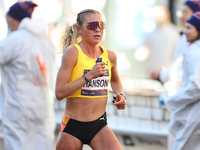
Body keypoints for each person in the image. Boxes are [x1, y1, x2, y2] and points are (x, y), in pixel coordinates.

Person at [55, 9, 126, 150]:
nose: (98, 30)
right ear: (79, 29)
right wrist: (88, 76)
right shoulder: (73, 53)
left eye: (101, 26)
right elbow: (59, 92)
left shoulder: (110, 56)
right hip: (73, 126)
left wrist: (120, 94)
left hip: (98, 125)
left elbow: (115, 80)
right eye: (93, 26)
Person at [0, 2, 57, 150]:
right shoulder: (47, 43)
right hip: (43, 108)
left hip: (18, 108)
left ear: (12, 19)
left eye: (8, 18)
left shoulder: (14, 40)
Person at [159, 11, 200, 150]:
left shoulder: (195, 52)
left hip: (193, 113)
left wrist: (171, 101)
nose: (185, 31)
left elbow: (196, 88)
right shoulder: (193, 49)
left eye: (189, 28)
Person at [150, 0, 200, 86]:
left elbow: (184, 72)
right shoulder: (183, 37)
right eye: (181, 12)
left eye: (185, 12)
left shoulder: (192, 42)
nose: (181, 16)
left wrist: (163, 73)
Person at [142, 5, 179, 78]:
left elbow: (176, 55)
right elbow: (146, 49)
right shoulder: (152, 33)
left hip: (166, 73)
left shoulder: (174, 33)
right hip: (152, 71)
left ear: (166, 14)